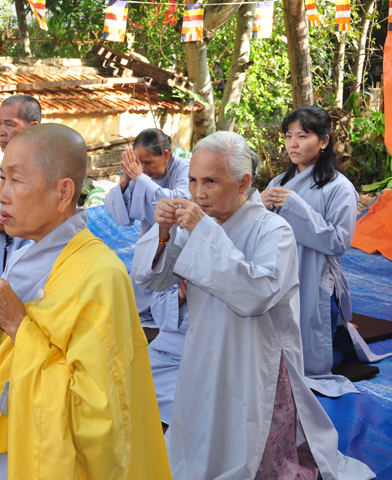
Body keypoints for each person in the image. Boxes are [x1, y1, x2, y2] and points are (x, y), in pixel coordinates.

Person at [132, 131, 375, 480]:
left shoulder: (273, 230)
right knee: (203, 427)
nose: (198, 193)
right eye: (193, 181)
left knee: (251, 433)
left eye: (211, 181)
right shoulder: (199, 225)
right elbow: (151, 279)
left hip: (256, 353)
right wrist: (163, 233)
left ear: (243, 182)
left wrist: (204, 234)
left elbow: (257, 293)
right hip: (203, 346)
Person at [0, 124, 171, 479]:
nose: (1, 195)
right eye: (0, 179)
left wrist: (17, 323)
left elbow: (96, 409)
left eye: (15, 180)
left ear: (64, 192)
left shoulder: (101, 274)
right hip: (4, 441)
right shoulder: (22, 258)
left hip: (51, 459)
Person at [261, 106, 390, 397]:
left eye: (302, 136)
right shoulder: (277, 184)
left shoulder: (339, 188)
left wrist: (295, 206)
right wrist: (259, 206)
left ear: (323, 141)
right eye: (289, 136)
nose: (293, 143)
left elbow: (338, 242)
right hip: (279, 270)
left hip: (315, 273)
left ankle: (337, 345)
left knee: (312, 351)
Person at [104, 128, 190, 426]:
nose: (144, 168)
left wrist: (140, 179)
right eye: (138, 162)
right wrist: (127, 181)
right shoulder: (141, 176)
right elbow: (122, 216)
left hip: (179, 252)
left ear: (166, 155)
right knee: (144, 304)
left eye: (149, 162)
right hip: (150, 250)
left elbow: (180, 204)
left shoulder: (185, 170)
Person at [0, 95, 39, 276]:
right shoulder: (1, 169)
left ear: (32, 128)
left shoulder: (42, 172)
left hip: (24, 270)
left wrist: (8, 227)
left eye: (10, 125)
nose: (1, 132)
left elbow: (49, 227)